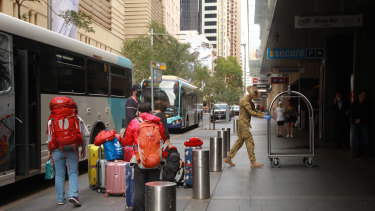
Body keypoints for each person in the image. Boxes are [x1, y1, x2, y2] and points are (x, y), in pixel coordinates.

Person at [124, 102, 166, 211]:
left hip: (139, 160)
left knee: (139, 190)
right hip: (155, 161)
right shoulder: (157, 122)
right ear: (150, 111)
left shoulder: (134, 122)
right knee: (153, 189)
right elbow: (163, 139)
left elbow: (127, 142)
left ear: (139, 111)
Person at [47, 108, 88, 207]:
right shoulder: (76, 117)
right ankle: (73, 195)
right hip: (71, 148)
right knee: (73, 172)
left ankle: (60, 199)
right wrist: (83, 148)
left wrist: (49, 150)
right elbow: (83, 134)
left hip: (56, 149)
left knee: (59, 174)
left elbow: (50, 135)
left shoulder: (52, 118)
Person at [224, 86, 271, 168]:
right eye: (253, 96)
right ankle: (253, 162)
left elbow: (254, 110)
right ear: (250, 94)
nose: (253, 98)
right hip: (243, 124)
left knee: (239, 142)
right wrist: (263, 117)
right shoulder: (245, 101)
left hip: (243, 124)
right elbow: (251, 112)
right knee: (250, 142)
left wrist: (263, 114)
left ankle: (229, 157)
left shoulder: (249, 101)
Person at [351, 91, 370, 157]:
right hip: (355, 122)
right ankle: (356, 152)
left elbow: (368, 114)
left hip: (363, 123)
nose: (363, 97)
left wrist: (361, 120)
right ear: (359, 96)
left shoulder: (367, 104)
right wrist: (354, 120)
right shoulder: (355, 103)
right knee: (356, 139)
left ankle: (366, 153)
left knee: (365, 138)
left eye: (364, 96)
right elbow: (352, 112)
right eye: (362, 95)